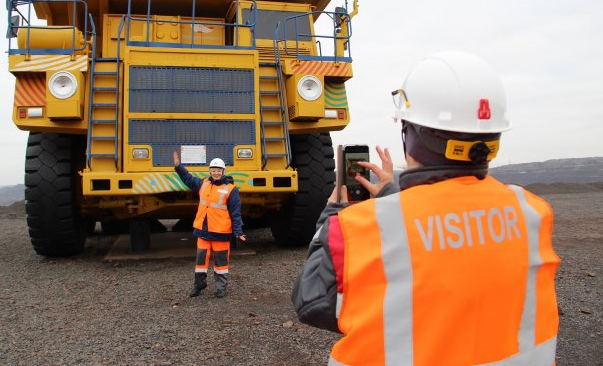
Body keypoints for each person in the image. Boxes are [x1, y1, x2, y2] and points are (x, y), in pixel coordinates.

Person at [292, 51, 560, 365]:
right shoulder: (532, 212)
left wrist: (333, 209)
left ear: (410, 135)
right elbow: (456, 247)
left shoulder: (359, 228)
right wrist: (393, 193)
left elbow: (311, 302)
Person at [174, 151, 246, 298]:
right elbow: (188, 179)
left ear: (223, 172)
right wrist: (178, 166)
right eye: (213, 170)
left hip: (221, 232)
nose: (216, 173)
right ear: (210, 171)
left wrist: (238, 232)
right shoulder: (203, 184)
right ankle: (199, 285)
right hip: (203, 230)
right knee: (200, 260)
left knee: (221, 263)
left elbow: (236, 213)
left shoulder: (231, 190)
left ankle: (221, 288)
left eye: (219, 170)